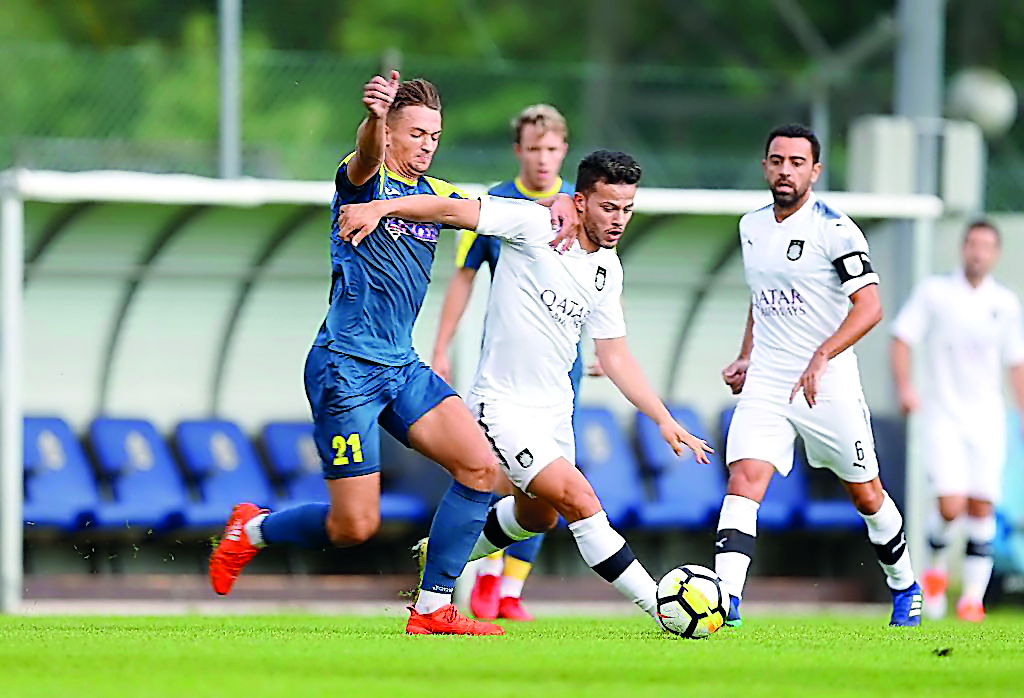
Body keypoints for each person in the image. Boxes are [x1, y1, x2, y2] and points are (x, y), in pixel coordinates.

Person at [208, 72, 570, 636]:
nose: (428, 143)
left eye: (435, 134)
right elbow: (363, 157)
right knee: (355, 526)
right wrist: (375, 121)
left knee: (480, 469)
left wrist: (562, 203)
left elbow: (490, 208)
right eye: (417, 133)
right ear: (392, 135)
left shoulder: (440, 195)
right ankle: (251, 530)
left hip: (401, 368)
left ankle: (432, 608)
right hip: (344, 368)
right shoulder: (362, 181)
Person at [337, 150, 714, 626]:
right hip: (503, 406)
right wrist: (380, 207)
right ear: (580, 202)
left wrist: (663, 419)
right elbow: (453, 209)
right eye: (608, 207)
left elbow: (615, 355)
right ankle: (664, 607)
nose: (618, 220)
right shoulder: (533, 225)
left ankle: (441, 551)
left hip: (554, 412)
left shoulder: (608, 270)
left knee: (540, 517)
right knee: (580, 500)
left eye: (626, 209)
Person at [716, 123, 922, 627]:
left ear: (815, 170)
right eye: (777, 160)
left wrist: (822, 354)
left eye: (797, 162)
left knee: (866, 494)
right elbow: (759, 298)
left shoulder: (835, 228)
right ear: (765, 165)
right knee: (744, 480)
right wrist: (746, 355)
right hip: (767, 381)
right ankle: (725, 603)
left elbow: (869, 307)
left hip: (825, 386)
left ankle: (905, 586)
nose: (786, 170)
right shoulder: (751, 226)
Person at [432, 104, 578, 622]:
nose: (543, 158)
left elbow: (602, 276)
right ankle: (486, 577)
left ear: (564, 149)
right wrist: (442, 344)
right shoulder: (496, 204)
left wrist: (604, 347)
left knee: (552, 484)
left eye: (552, 149)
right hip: (509, 374)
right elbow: (464, 277)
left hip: (564, 373)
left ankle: (509, 593)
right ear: (519, 151)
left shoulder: (577, 207)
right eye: (533, 149)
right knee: (506, 477)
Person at [890, 220, 1024, 622]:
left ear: (995, 253)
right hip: (943, 415)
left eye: (986, 246)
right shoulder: (935, 293)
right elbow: (902, 337)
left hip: (987, 419)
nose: (978, 252)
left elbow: (1015, 362)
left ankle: (971, 601)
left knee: (982, 506)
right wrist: (905, 387)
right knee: (950, 507)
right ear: (963, 248)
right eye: (972, 244)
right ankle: (933, 579)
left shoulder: (1005, 302)